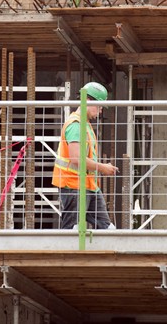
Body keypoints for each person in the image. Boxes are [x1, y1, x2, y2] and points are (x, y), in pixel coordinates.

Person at [52, 82, 119, 229]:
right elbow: (76, 159)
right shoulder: (76, 125)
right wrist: (102, 168)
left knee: (107, 228)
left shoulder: (84, 124)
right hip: (73, 186)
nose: (100, 111)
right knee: (71, 230)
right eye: (99, 107)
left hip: (88, 185)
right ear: (88, 102)